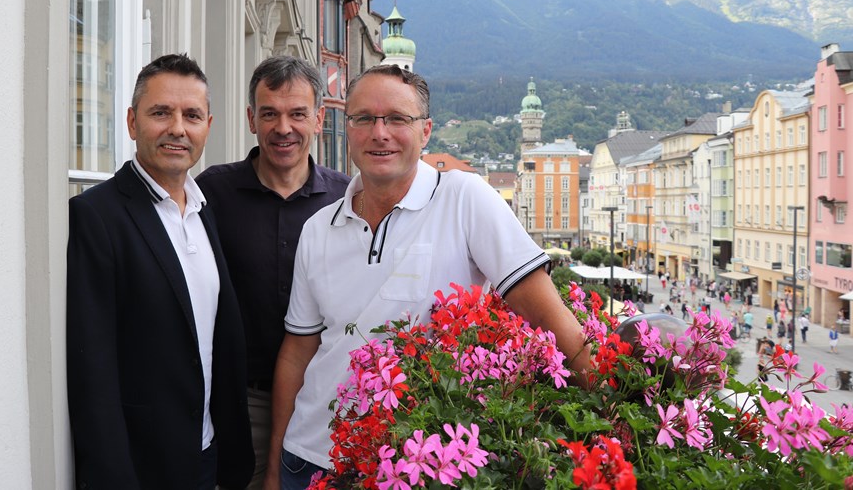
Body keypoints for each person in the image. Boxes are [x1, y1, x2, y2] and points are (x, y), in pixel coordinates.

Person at [266, 65, 591, 490]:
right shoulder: (318, 227)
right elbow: (299, 349)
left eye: (397, 119)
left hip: (416, 464)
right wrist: (275, 462)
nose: (379, 132)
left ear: (426, 131)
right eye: (364, 118)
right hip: (309, 459)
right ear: (347, 129)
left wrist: (611, 411)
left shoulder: (464, 198)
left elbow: (550, 318)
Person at [67, 54, 254, 489]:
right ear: (132, 123)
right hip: (142, 466)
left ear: (208, 125)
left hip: (208, 457)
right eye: (160, 113)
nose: (177, 128)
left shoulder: (204, 211)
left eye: (191, 115)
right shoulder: (96, 217)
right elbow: (92, 371)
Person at [195, 55, 350, 488]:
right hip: (241, 403)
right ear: (251, 119)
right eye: (270, 114)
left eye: (297, 114)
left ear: (318, 119)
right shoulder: (213, 193)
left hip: (329, 400)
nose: (284, 128)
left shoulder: (346, 201)